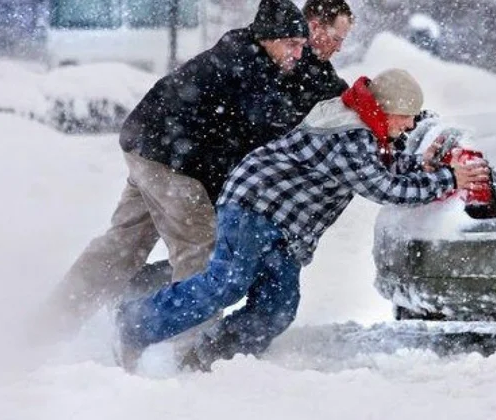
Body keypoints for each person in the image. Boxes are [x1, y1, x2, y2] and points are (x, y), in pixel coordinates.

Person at [115, 69, 492, 372]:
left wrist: (428, 167)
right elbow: (383, 186)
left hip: (285, 225)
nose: (409, 126)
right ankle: (134, 324)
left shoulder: (366, 125)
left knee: (277, 306)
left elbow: (383, 163)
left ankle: (214, 358)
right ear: (389, 109)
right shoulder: (351, 134)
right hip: (253, 203)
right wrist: (449, 179)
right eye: (407, 116)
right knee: (226, 283)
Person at [37, 0, 354, 341]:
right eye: (334, 37)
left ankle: (51, 326)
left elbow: (332, 101)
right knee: (202, 252)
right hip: (172, 159)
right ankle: (183, 349)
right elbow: (267, 125)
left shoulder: (293, 65)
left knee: (124, 246)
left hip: (153, 147)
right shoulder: (251, 63)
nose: (337, 47)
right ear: (311, 28)